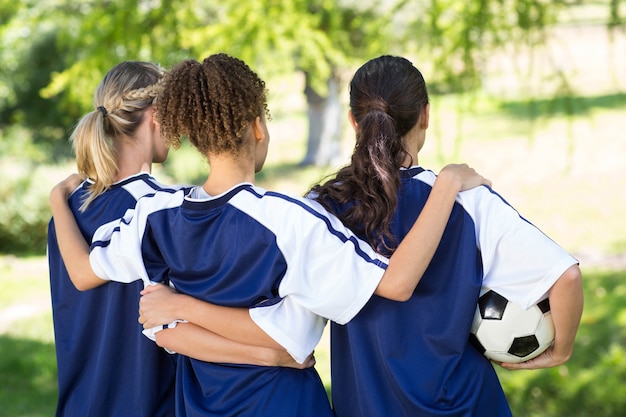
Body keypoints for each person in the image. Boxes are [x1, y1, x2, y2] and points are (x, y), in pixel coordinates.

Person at [49, 53, 491, 417]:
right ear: (258, 127)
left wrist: (183, 306)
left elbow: (114, 292)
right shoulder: (291, 220)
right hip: (285, 404)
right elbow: (395, 283)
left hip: (198, 405)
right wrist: (447, 185)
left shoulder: (153, 215)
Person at [305, 55, 583, 417]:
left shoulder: (322, 208)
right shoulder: (470, 200)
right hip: (469, 405)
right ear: (425, 116)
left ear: (354, 121)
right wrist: (561, 349)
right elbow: (567, 277)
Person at [47, 60, 305, 417]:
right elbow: (185, 328)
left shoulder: (70, 208)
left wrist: (57, 203)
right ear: (156, 115)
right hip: (149, 404)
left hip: (79, 405)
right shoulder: (162, 213)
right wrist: (274, 354)